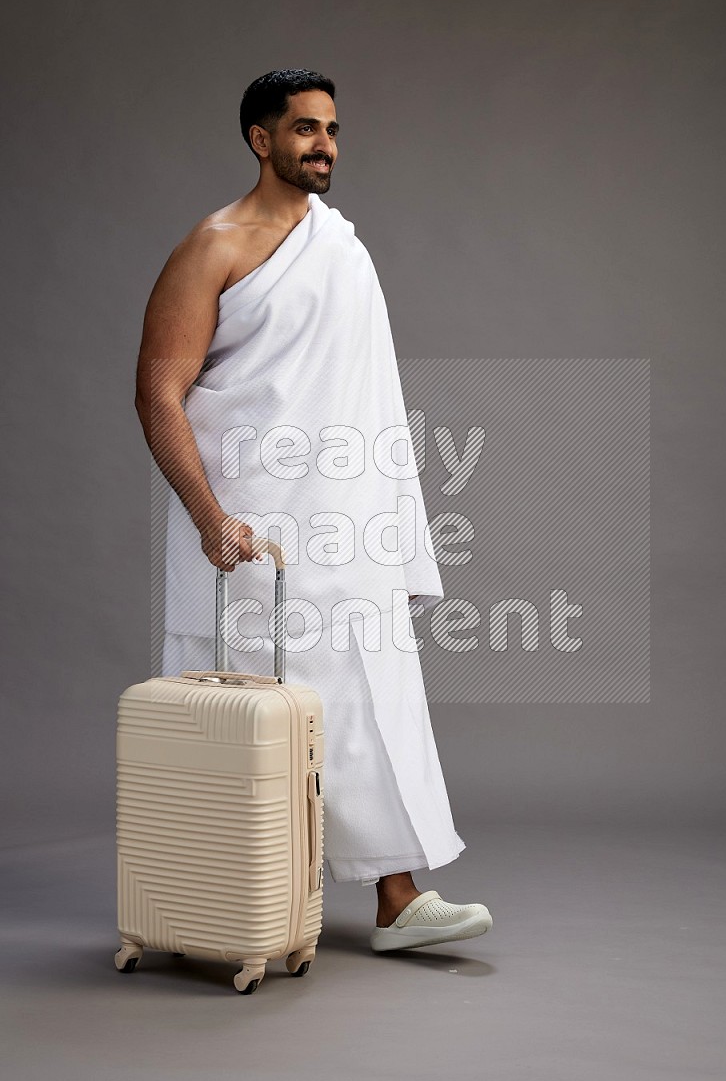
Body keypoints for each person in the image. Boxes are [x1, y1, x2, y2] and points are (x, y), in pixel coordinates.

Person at [134, 68, 492, 952]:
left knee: (369, 699)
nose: (323, 144)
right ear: (261, 139)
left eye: (330, 128)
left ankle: (398, 900)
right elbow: (157, 390)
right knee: (249, 710)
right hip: (253, 528)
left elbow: (362, 395)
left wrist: (388, 517)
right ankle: (216, 899)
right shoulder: (211, 247)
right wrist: (212, 518)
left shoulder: (340, 244)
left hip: (346, 517)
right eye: (303, 129)